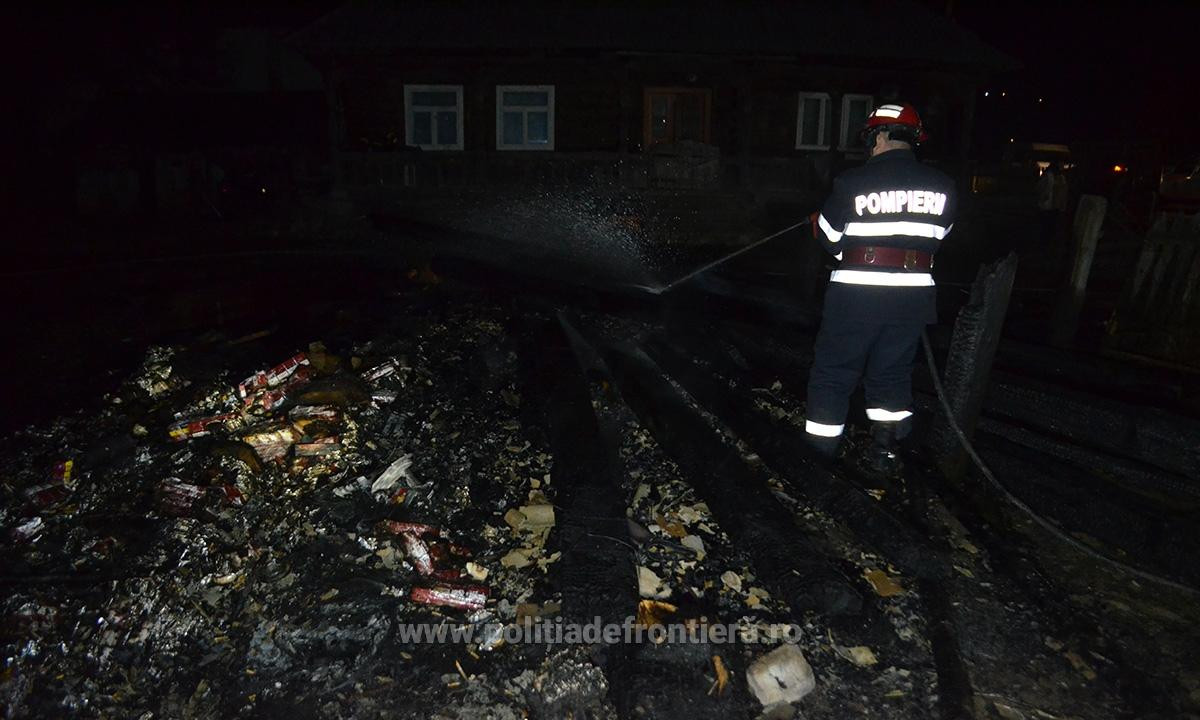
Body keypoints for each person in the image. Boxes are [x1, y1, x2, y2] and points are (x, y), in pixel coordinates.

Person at [804, 103, 957, 476]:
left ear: (882, 136)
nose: (870, 147)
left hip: (857, 296)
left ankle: (816, 458)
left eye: (871, 139)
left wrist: (816, 223)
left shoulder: (852, 182)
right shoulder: (944, 187)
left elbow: (829, 238)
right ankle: (885, 452)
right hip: (912, 298)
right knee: (891, 372)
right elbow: (937, 239)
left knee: (835, 372)